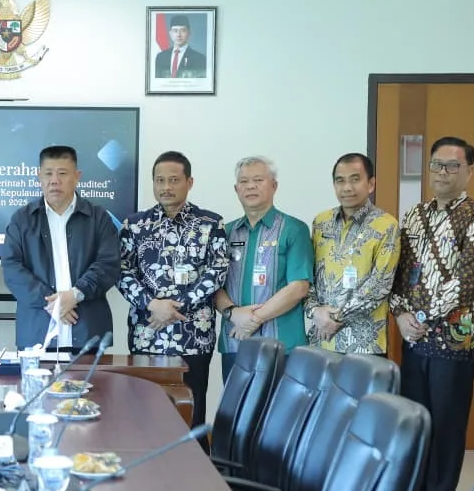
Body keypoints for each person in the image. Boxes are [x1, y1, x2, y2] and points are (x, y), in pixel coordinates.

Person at [390, 136, 474, 491]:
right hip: (413, 337)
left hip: (454, 339)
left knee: (447, 422)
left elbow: (467, 282)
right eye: (437, 164)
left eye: (453, 166)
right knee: (416, 418)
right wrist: (400, 314)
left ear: (468, 171)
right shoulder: (414, 216)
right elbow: (399, 272)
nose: (443, 172)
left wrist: (421, 316)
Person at [119, 152, 228, 438]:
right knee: (144, 415)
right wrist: (152, 304)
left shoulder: (211, 224)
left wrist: (174, 308)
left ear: (189, 182)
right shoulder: (135, 225)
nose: (166, 187)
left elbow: (217, 271)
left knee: (191, 413)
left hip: (193, 337)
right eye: (160, 180)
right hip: (147, 334)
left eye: (174, 180)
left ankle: (194, 465)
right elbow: (121, 272)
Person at [2, 145, 120, 352]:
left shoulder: (98, 217)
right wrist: (52, 303)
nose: (54, 180)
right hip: (36, 333)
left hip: (88, 332)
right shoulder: (22, 219)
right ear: (39, 176)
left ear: (77, 176)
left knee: (91, 376)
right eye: (48, 173)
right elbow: (12, 269)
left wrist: (76, 294)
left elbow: (108, 264)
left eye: (62, 173)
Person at [215, 156, 313, 381]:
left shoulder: (294, 229)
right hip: (235, 342)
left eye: (258, 180)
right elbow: (213, 285)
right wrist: (232, 313)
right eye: (244, 181)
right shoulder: (225, 232)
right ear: (236, 189)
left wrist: (253, 319)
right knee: (236, 404)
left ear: (274, 185)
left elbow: (299, 287)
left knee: (279, 405)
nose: (250, 186)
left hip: (282, 345)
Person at [305, 153, 400, 354]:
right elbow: (309, 276)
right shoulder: (321, 222)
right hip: (322, 339)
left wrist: (335, 318)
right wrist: (315, 311)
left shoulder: (386, 225)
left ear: (371, 184)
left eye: (355, 179)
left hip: (365, 343)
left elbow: (380, 285)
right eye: (340, 181)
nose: (347, 187)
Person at [153, 14, 207, 79]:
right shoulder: (161, 57)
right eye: (175, 31)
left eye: (183, 30)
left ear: (189, 33)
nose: (178, 35)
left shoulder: (199, 59)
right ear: (170, 34)